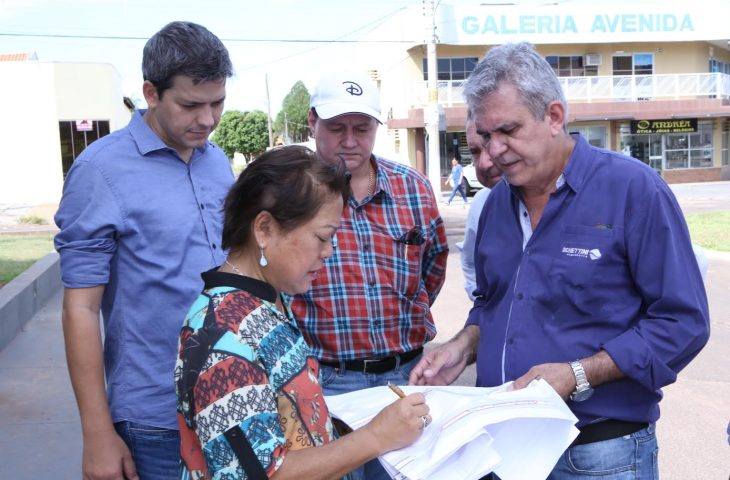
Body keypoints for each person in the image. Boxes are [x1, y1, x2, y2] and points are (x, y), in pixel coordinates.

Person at [410, 42, 710, 479]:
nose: (493, 153)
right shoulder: (495, 205)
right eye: (485, 136)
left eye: (508, 131)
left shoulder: (632, 190)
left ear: (553, 116)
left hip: (599, 452)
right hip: (502, 447)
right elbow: (496, 304)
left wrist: (578, 374)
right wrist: (464, 346)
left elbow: (683, 323)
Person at [175, 145, 430, 480]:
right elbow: (264, 474)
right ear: (264, 229)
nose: (329, 252)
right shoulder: (223, 335)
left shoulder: (266, 300)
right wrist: (376, 436)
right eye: (323, 237)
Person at [54, 21, 234, 480]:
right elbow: (81, 307)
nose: (208, 119)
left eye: (217, 103)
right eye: (191, 105)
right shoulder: (100, 170)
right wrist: (97, 433)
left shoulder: (217, 163)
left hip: (229, 396)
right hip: (154, 416)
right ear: (151, 93)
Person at [287, 70, 449, 480]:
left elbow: (433, 269)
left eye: (362, 129)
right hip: (325, 383)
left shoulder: (412, 188)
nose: (349, 140)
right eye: (337, 128)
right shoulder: (291, 193)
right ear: (312, 122)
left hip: (404, 378)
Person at [459, 116, 502, 301]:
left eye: (492, 145)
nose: (484, 163)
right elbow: (470, 262)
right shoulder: (482, 201)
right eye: (475, 152)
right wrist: (483, 306)